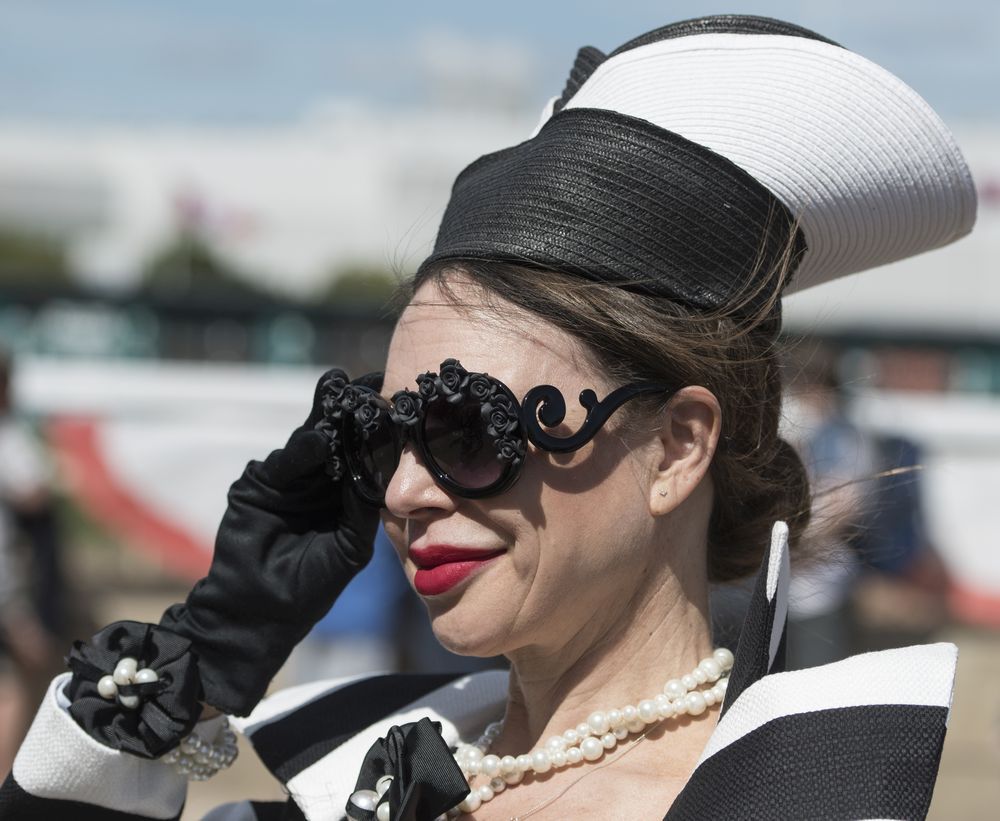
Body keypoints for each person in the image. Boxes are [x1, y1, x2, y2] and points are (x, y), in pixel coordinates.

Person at [1, 15, 976, 821]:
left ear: (677, 445)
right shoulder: (342, 779)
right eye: (382, 439)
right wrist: (205, 664)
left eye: (471, 430)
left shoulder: (806, 793)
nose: (403, 492)